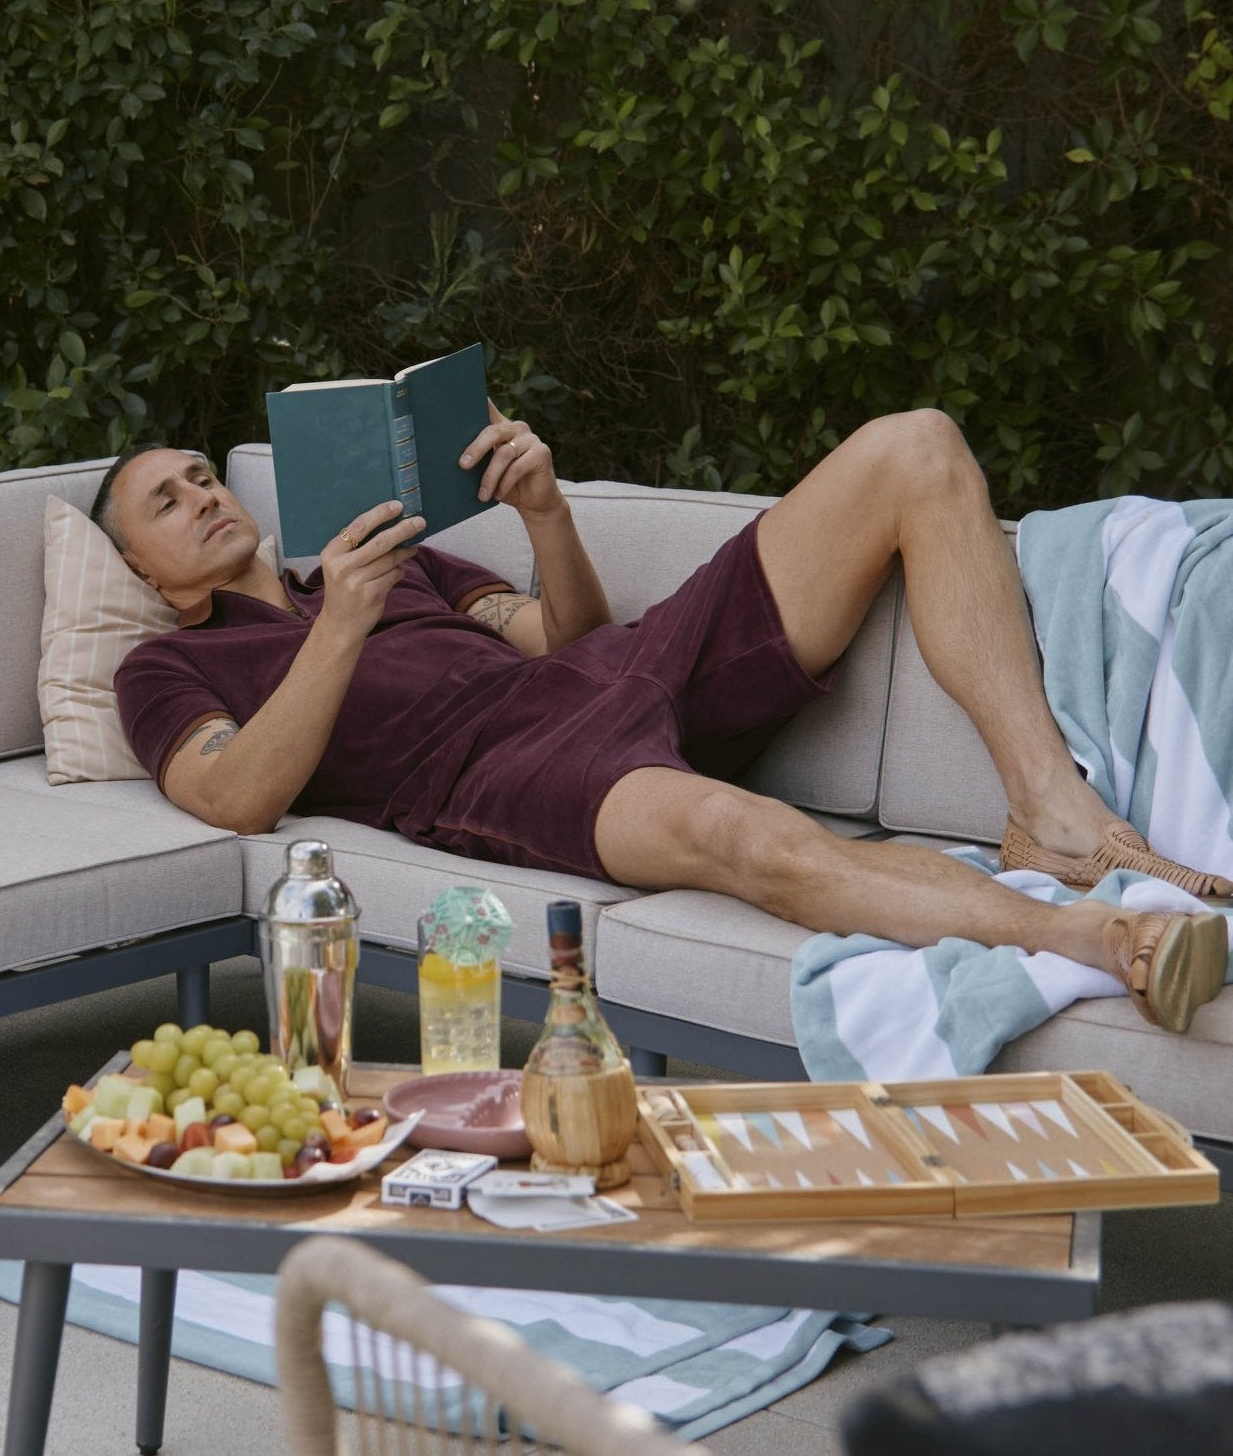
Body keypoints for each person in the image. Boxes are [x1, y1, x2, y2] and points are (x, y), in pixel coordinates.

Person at [101, 406, 1232, 1036]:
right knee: (743, 840)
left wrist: (545, 510)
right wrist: (338, 626)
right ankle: (1096, 938)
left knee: (915, 445)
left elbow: (559, 633)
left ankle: (1049, 811)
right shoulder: (168, 665)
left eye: (204, 475)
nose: (204, 494)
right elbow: (237, 796)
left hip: (612, 669)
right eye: (168, 499)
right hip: (501, 768)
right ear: (147, 574)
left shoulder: (376, 561)